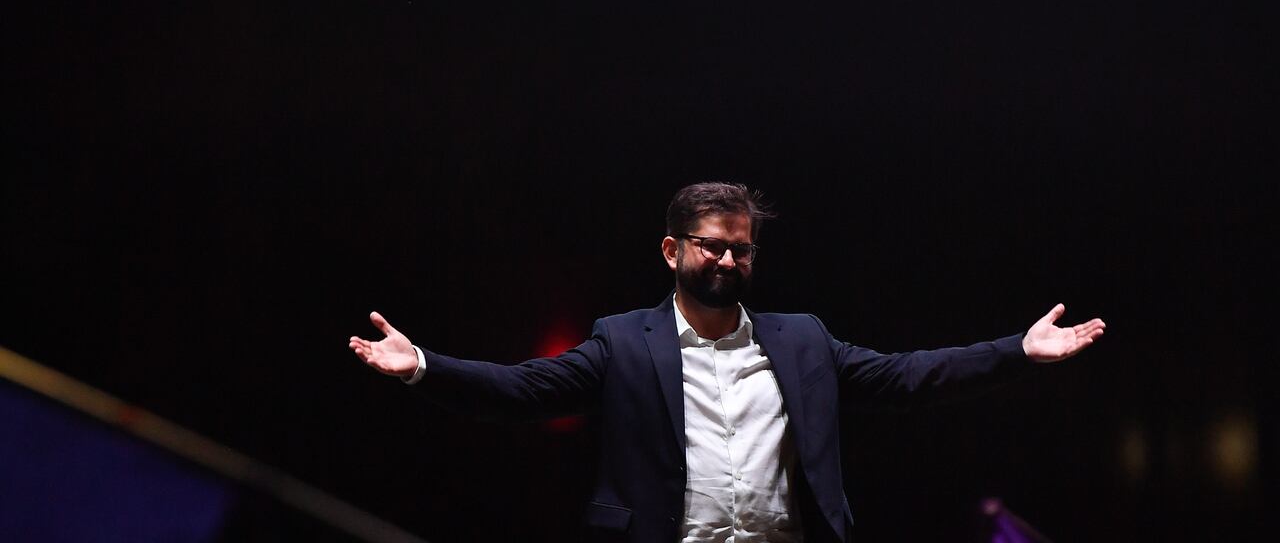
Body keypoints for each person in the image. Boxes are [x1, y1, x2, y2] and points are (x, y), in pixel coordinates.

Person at [349, 182, 1105, 542]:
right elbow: (523, 391)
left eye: (741, 247)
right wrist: (423, 366)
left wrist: (1017, 351)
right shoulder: (623, 341)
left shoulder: (802, 339)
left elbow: (907, 378)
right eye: (711, 243)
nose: (727, 258)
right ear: (673, 250)